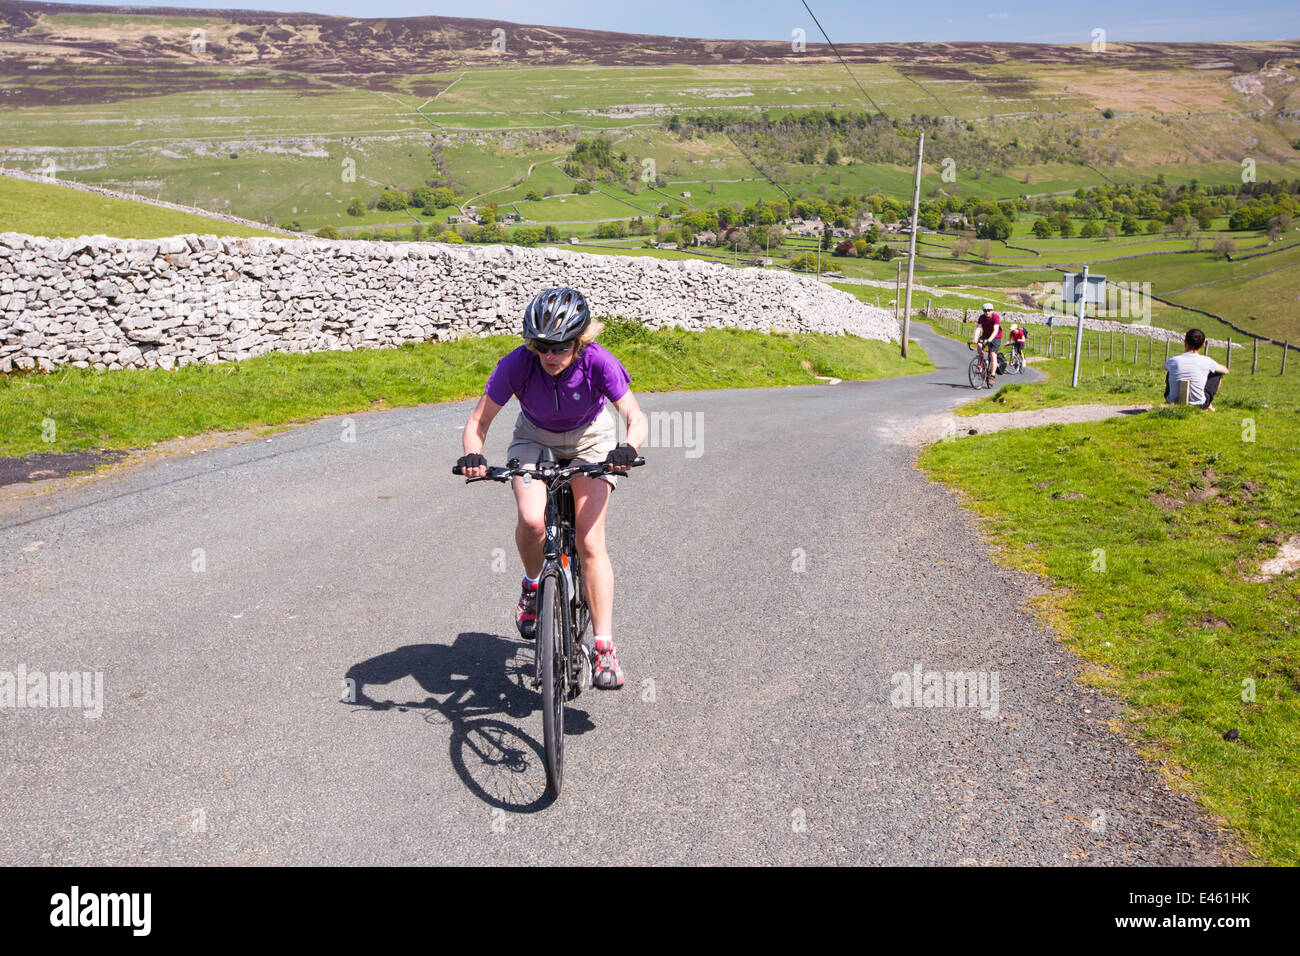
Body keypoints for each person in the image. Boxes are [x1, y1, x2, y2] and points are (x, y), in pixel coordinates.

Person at [457, 287, 648, 690]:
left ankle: (604, 648)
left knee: (590, 540)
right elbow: (479, 421)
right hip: (534, 438)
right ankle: (532, 587)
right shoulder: (517, 365)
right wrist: (474, 454)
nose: (550, 356)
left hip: (590, 440)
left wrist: (627, 447)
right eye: (542, 346)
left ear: (579, 341)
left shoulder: (599, 362)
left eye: (560, 347)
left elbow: (634, 415)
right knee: (531, 519)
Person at [1163, 328, 1228, 410]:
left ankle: (1172, 396)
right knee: (1217, 375)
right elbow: (1225, 371)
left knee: (1170, 370)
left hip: (1172, 402)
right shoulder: (1206, 361)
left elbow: (1164, 367)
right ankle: (1208, 403)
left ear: (1185, 343)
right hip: (1199, 405)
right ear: (1203, 345)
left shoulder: (1173, 360)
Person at [971, 303, 1002, 383]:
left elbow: (995, 330)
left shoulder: (996, 317)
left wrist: (989, 340)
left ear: (992, 310)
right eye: (985, 310)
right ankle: (981, 361)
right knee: (979, 344)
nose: (987, 312)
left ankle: (992, 376)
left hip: (996, 336)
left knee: (992, 354)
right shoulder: (981, 317)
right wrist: (975, 339)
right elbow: (978, 328)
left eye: (989, 310)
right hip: (986, 334)